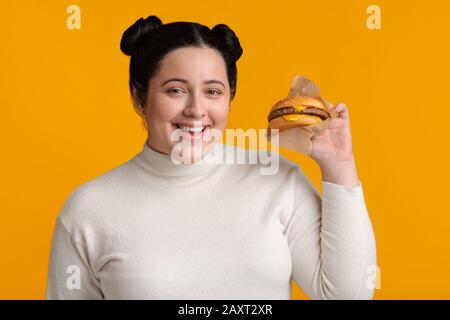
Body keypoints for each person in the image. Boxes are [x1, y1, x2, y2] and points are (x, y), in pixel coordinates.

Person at [45, 15, 377, 300]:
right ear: (139, 95)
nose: (196, 110)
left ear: (229, 98)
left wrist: (339, 165)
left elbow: (347, 293)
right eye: (176, 90)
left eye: (213, 91)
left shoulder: (276, 181)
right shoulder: (88, 209)